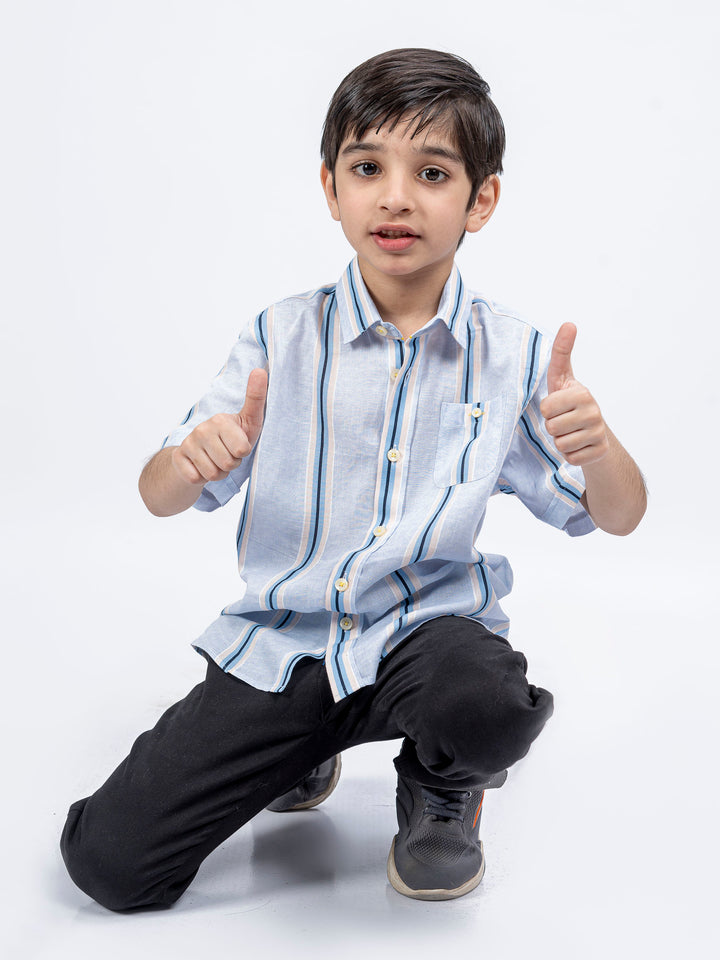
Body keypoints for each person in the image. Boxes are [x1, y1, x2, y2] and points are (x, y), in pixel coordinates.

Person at [60, 48, 646, 909]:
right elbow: (157, 494)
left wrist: (599, 447)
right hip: (289, 647)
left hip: (429, 639)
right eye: (368, 168)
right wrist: (187, 463)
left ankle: (443, 786)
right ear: (331, 188)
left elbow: (617, 515)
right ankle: (299, 751)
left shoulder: (513, 355)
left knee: (487, 704)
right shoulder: (280, 335)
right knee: (108, 865)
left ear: (481, 199)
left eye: (432, 173)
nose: (396, 197)